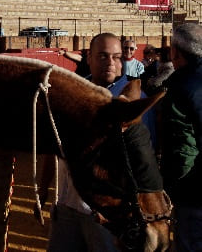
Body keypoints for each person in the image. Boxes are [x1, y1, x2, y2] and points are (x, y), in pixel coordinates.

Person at [38, 33, 162, 252]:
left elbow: (143, 161)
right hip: (67, 203)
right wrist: (42, 187)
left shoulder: (134, 100)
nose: (111, 63)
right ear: (89, 58)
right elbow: (52, 144)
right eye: (103, 56)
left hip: (107, 213)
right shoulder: (72, 94)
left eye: (116, 57)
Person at [161, 23, 202, 252]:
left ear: (175, 52)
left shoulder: (179, 85)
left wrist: (169, 187)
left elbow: (183, 149)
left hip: (194, 191)